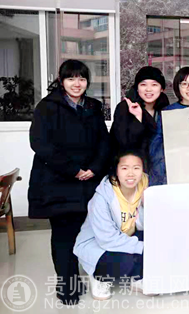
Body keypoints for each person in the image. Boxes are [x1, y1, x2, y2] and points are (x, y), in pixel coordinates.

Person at [28, 59, 110, 305]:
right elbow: (40, 144)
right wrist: (74, 170)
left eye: (82, 79)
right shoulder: (47, 107)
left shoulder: (93, 106)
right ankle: (67, 286)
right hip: (58, 181)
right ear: (61, 81)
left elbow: (103, 141)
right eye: (71, 78)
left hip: (89, 181)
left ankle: (90, 277)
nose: (77, 83)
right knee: (64, 235)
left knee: (88, 232)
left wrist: (94, 168)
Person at [74, 150, 149, 300]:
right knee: (125, 261)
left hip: (126, 235)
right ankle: (98, 278)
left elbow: (146, 225)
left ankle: (136, 278)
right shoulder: (102, 197)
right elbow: (107, 239)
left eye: (136, 168)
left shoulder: (145, 186)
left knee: (158, 241)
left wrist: (145, 205)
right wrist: (143, 247)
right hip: (99, 243)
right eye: (124, 168)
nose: (131, 173)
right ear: (116, 170)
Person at [149, 67, 189, 186]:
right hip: (174, 170)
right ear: (177, 87)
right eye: (184, 84)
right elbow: (157, 143)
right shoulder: (168, 112)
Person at [110, 66, 169, 169]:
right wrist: (138, 118)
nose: (148, 89)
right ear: (137, 88)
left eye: (154, 85)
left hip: (157, 169)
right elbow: (124, 144)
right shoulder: (124, 108)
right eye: (143, 84)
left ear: (162, 89)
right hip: (130, 169)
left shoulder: (165, 108)